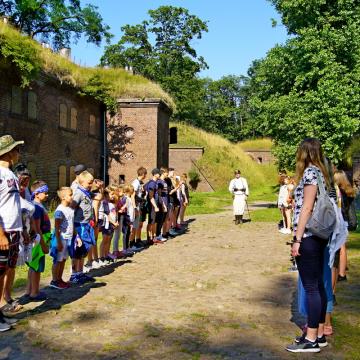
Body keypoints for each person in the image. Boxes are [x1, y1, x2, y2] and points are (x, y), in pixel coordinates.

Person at [286, 138, 331, 353]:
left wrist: (297, 239)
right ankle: (319, 333)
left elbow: (306, 208)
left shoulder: (310, 173)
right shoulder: (321, 174)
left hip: (309, 237)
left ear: (304, 153)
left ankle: (311, 338)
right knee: (319, 287)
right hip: (318, 236)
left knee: (311, 287)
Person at [0, 135, 24, 331]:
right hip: (3, 231)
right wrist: (0, 234)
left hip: (14, 230)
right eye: (17, 149)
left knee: (6, 270)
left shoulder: (11, 174)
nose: (19, 153)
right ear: (8, 152)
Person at [27, 180, 51, 301]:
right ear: (37, 193)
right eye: (45, 193)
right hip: (38, 241)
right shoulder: (36, 207)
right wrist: (43, 245)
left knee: (33, 266)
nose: (47, 195)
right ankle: (34, 293)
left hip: (39, 240)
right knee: (37, 267)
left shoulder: (38, 205)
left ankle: (29, 290)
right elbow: (36, 228)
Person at [70, 171, 95, 284]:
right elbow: (71, 209)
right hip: (79, 225)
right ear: (81, 182)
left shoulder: (86, 193)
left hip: (86, 224)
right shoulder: (78, 193)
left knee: (84, 249)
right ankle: (74, 274)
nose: (91, 185)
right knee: (77, 250)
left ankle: (80, 273)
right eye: (89, 183)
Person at [334, 170, 356, 282]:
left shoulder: (340, 192)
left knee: (341, 247)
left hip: (341, 220)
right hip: (345, 220)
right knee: (343, 247)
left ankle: (341, 273)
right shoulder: (348, 191)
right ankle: (342, 272)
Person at [50, 187, 74, 289]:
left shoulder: (70, 209)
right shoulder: (60, 211)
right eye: (70, 195)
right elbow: (57, 227)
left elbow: (71, 223)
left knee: (63, 260)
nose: (72, 197)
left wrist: (76, 237)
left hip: (68, 238)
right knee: (58, 260)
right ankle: (54, 280)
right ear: (63, 197)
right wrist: (59, 242)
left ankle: (60, 279)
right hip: (61, 238)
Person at [131, 167, 147, 248]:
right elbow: (133, 196)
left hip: (140, 206)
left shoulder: (140, 182)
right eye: (145, 174)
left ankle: (138, 240)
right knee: (134, 226)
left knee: (138, 225)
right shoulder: (136, 183)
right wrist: (134, 208)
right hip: (136, 206)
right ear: (143, 174)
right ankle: (132, 243)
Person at [145, 168, 161, 244]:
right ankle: (149, 238)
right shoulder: (151, 183)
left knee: (154, 222)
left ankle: (153, 237)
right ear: (155, 174)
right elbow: (151, 197)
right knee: (151, 222)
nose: (160, 174)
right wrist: (155, 206)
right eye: (158, 173)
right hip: (152, 206)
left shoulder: (155, 182)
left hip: (155, 205)